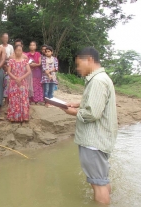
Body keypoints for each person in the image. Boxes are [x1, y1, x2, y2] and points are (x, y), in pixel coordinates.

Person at [61, 47, 118, 205]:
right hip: (101, 139)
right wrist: (78, 103)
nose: (78, 68)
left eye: (79, 64)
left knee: (98, 184)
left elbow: (92, 114)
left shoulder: (98, 81)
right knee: (102, 180)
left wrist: (72, 112)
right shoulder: (101, 79)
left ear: (90, 60)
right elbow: (96, 101)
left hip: (94, 141)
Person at [7, 45, 31, 122]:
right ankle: (13, 117)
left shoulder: (25, 61)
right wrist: (15, 78)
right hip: (13, 83)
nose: (19, 52)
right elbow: (8, 71)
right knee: (14, 99)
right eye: (17, 50)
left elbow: (29, 71)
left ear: (22, 51)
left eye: (20, 50)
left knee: (23, 99)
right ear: (15, 51)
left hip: (22, 82)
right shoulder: (11, 61)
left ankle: (24, 116)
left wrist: (21, 78)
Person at [0, 33, 14, 107]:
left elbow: (12, 56)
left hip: (9, 67)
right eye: (4, 38)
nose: (5, 39)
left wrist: (6, 59)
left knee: (7, 84)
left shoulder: (10, 47)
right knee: (1, 84)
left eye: (7, 38)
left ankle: (7, 101)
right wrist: (3, 63)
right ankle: (0, 101)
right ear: (1, 38)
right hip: (1, 67)